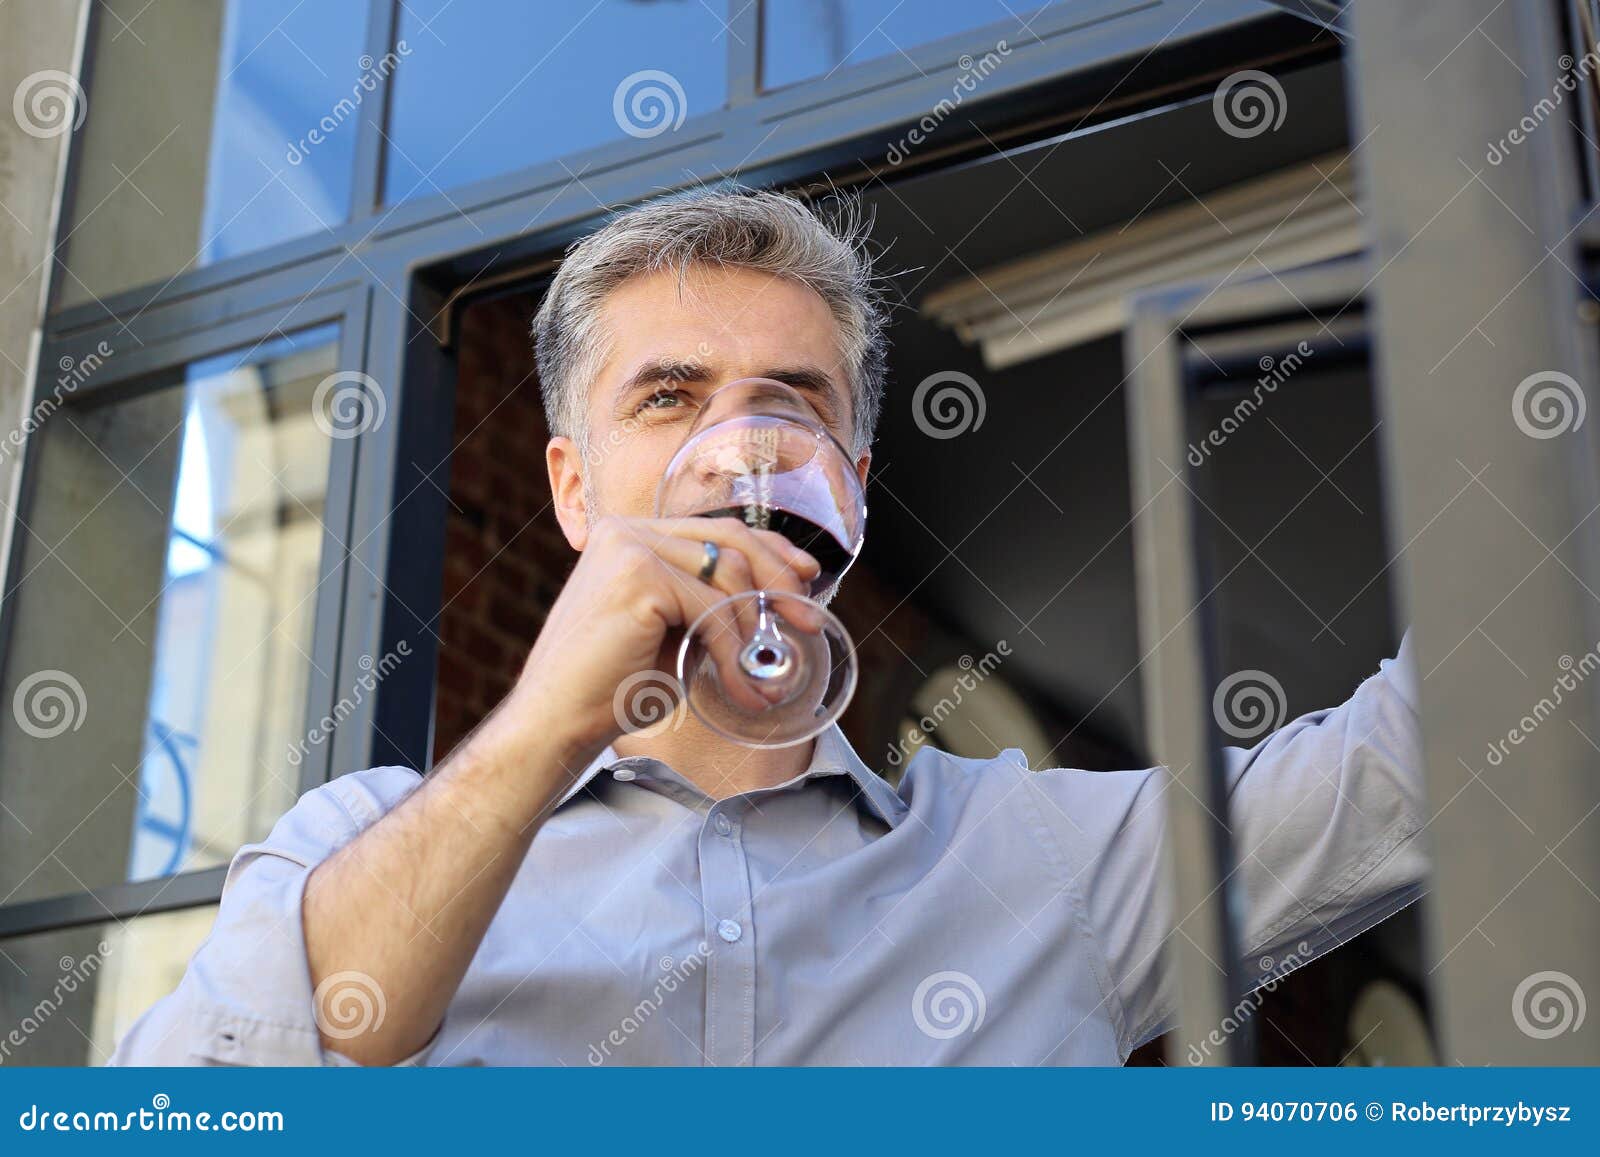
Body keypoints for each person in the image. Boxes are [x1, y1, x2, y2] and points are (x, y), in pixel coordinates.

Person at [110, 188, 1427, 1067]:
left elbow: (1428, 757)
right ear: (573, 490)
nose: (743, 448)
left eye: (793, 400)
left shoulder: (1049, 858)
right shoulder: (356, 844)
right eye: (670, 399)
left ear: (854, 482)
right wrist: (545, 725)